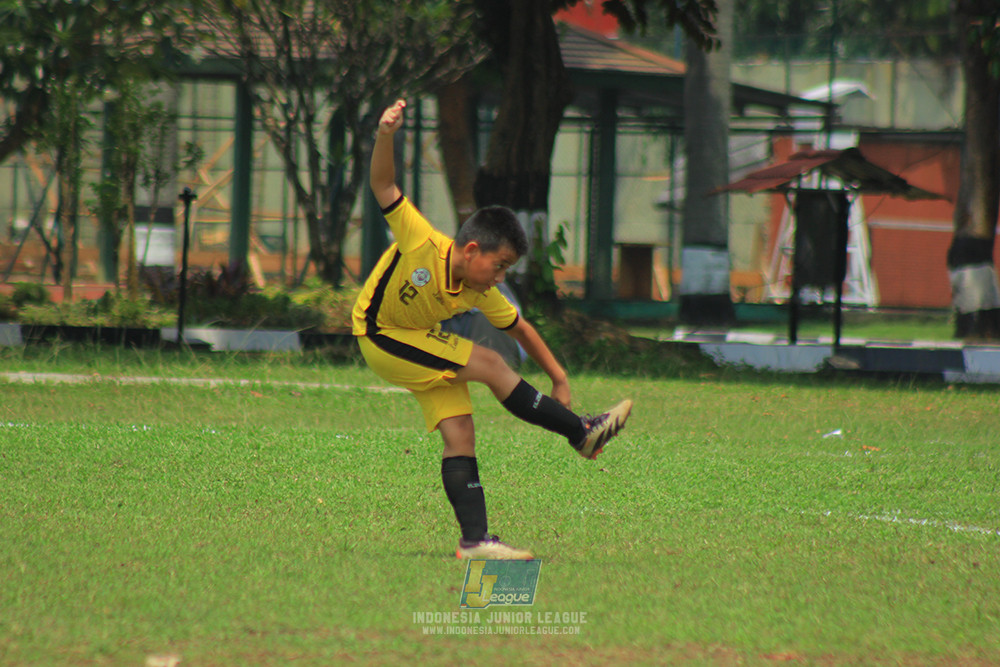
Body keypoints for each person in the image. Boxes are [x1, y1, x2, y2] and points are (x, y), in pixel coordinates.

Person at [352, 99, 632, 560]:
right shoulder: (420, 239)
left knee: (461, 433)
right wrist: (385, 134)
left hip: (412, 341)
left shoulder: (480, 289)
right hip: (379, 334)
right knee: (487, 361)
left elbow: (520, 327)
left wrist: (559, 377)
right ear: (472, 250)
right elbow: (383, 184)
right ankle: (581, 432)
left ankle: (475, 541)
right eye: (498, 265)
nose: (500, 278)